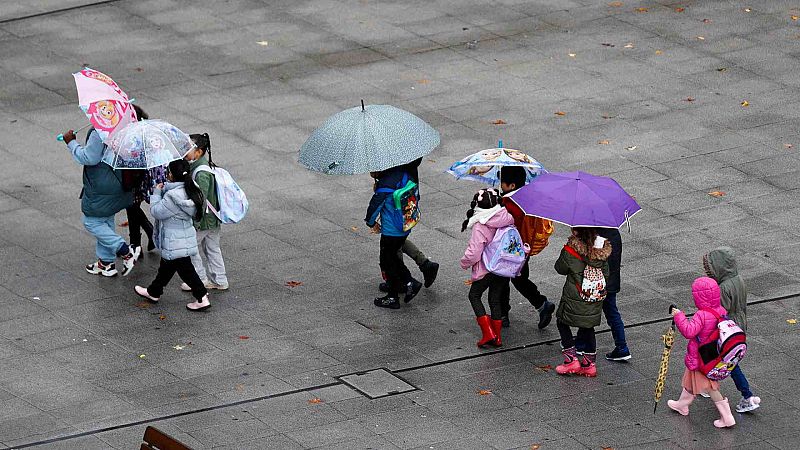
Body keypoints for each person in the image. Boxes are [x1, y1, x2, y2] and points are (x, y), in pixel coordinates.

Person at [61, 126, 140, 277]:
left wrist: (71, 143)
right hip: (118, 180)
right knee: (105, 220)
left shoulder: (100, 131)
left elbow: (90, 158)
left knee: (91, 222)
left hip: (102, 184)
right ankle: (106, 262)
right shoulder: (123, 127)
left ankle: (125, 251)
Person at [134, 159, 211, 311]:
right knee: (166, 267)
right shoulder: (192, 188)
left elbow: (157, 211)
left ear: (172, 175)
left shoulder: (172, 197)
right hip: (183, 237)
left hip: (174, 240)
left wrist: (157, 192)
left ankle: (202, 297)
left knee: (186, 270)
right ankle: (154, 292)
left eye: (168, 172)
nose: (166, 175)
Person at [667, 277, 736, 428]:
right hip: (712, 354)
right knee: (690, 379)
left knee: (711, 387)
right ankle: (682, 405)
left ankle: (727, 417)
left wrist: (679, 316)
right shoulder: (721, 310)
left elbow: (689, 331)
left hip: (701, 356)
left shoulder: (702, 315)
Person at [703, 247, 760, 413]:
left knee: (727, 362)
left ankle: (747, 395)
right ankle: (706, 384)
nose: (708, 271)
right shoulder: (738, 280)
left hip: (726, 330)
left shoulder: (723, 288)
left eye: (710, 268)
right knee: (719, 358)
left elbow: (719, 312)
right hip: (739, 325)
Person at [498, 166, 555, 328]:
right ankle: (541, 304)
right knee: (519, 279)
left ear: (512, 186)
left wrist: (499, 204)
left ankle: (503, 314)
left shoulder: (510, 204)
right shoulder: (528, 198)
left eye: (503, 183)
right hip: (524, 248)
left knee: (502, 280)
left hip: (510, 248)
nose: (501, 185)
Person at [460, 188, 515, 347]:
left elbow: (474, 252)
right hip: (503, 266)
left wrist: (464, 262)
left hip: (487, 267)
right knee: (494, 298)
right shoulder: (507, 217)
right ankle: (497, 337)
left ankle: (487, 333)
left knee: (474, 295)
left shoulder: (481, 224)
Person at [554, 227, 611, 377]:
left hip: (575, 296)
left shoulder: (570, 250)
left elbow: (559, 268)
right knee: (588, 327)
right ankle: (589, 364)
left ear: (576, 232)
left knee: (562, 322)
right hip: (593, 297)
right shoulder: (601, 250)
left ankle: (571, 360)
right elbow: (606, 273)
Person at [377, 158, 439, 293]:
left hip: (397, 193)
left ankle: (399, 282)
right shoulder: (406, 148)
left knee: (391, 244)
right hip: (406, 189)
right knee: (396, 239)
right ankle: (424, 264)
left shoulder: (396, 154)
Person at [178, 133, 229, 292]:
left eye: (188, 149)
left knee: (191, 249)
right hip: (212, 219)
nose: (184, 152)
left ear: (199, 152)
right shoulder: (201, 167)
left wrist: (195, 222)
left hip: (203, 220)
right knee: (212, 249)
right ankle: (220, 280)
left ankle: (199, 280)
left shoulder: (201, 173)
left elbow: (201, 199)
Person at [365, 166, 421, 309]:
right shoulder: (402, 174)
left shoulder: (384, 187)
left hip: (391, 230)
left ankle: (394, 295)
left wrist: (370, 222)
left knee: (388, 261)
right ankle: (403, 284)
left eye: (371, 169)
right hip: (405, 225)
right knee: (393, 259)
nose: (370, 172)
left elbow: (374, 207)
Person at [124, 105, 165, 254]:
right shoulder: (147, 130)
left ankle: (137, 244)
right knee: (132, 208)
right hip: (145, 178)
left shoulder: (134, 135)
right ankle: (138, 242)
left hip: (136, 179)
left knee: (132, 207)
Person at [596, 228, 631, 361]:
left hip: (599, 282)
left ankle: (583, 345)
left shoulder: (598, 237)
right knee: (612, 313)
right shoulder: (614, 234)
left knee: (587, 312)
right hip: (612, 281)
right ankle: (622, 347)